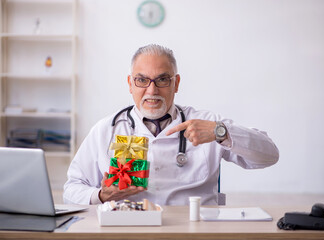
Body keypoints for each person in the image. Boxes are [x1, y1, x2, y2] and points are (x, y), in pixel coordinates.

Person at [63, 44, 279, 205]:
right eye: (142, 80)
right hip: (130, 229)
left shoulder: (207, 123)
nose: (152, 90)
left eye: (162, 80)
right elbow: (71, 188)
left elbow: (269, 155)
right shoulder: (106, 129)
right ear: (130, 84)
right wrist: (99, 196)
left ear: (176, 83)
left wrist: (220, 132)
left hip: (194, 230)